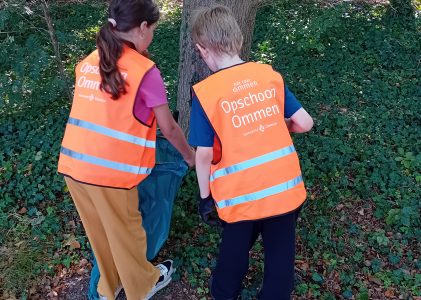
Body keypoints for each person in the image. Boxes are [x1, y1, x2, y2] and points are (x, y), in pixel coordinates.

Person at [57, 0, 195, 299]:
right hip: (111, 173)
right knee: (128, 234)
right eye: (154, 29)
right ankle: (142, 287)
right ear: (142, 27)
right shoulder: (145, 71)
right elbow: (169, 128)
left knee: (101, 233)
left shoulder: (89, 60)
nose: (153, 36)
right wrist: (190, 156)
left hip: (74, 166)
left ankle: (109, 287)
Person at [188, 5, 313, 300]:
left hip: (240, 194)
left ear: (202, 49)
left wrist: (205, 197)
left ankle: (224, 293)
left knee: (234, 250)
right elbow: (304, 123)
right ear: (238, 39)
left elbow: (203, 155)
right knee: (280, 257)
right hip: (284, 188)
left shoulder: (206, 93)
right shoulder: (268, 76)